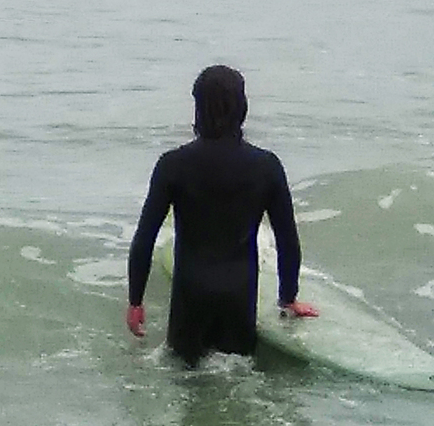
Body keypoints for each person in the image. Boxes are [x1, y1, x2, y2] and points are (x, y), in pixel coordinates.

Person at [126, 65, 318, 365]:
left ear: (198, 108)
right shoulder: (267, 167)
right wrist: (288, 297)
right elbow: (287, 240)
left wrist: (135, 301)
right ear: (242, 107)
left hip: (190, 299)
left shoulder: (173, 165)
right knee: (235, 380)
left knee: (186, 385)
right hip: (238, 302)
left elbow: (144, 239)